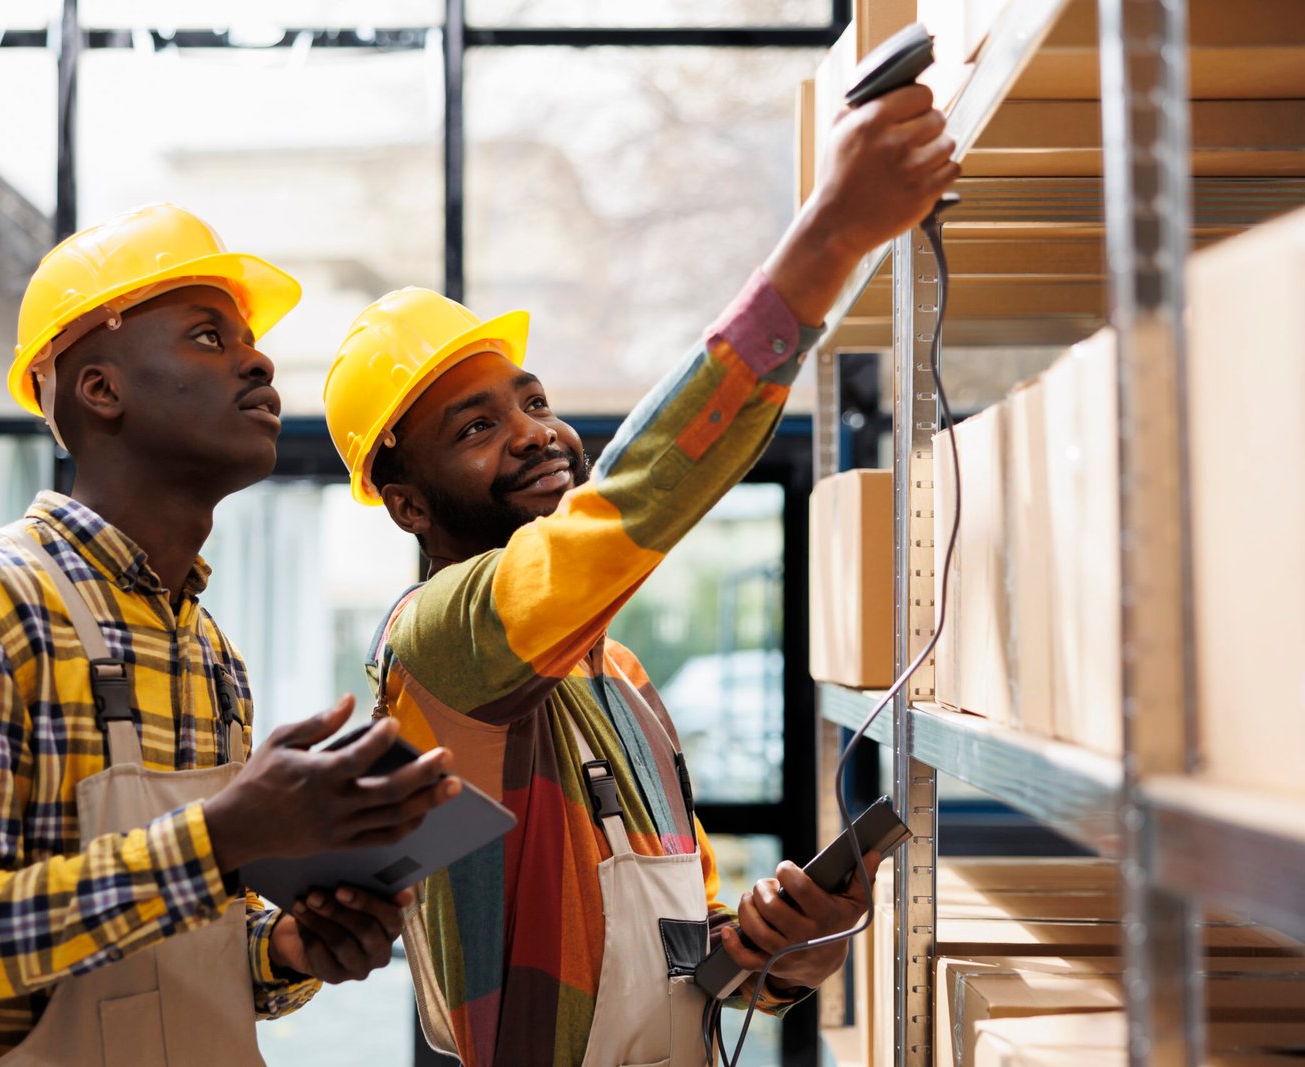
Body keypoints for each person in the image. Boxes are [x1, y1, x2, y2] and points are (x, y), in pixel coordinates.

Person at [321, 86, 958, 1066]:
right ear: (409, 505)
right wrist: (825, 241)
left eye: (529, 399)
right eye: (477, 426)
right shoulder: (434, 646)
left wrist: (789, 944)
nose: (534, 431)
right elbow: (633, 504)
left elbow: (702, 969)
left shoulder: (620, 680)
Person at [0, 203, 459, 1067]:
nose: (259, 359)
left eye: (246, 338)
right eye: (209, 337)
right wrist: (219, 838)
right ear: (102, 390)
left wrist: (289, 947)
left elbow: (195, 952)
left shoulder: (209, 656)